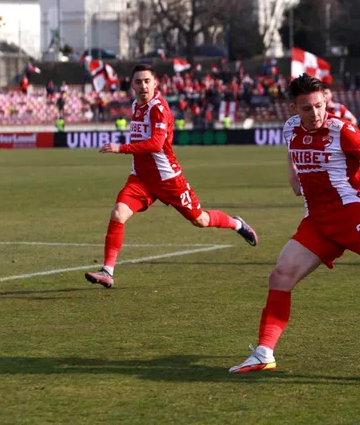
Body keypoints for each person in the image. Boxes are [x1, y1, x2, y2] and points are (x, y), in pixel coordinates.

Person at [229, 74, 360, 374]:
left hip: (352, 216)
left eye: (319, 105)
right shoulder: (290, 128)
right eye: (307, 108)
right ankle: (264, 351)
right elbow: (292, 155)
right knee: (280, 276)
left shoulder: (343, 130)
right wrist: (293, 175)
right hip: (317, 220)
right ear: (293, 108)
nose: (315, 113)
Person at [84, 64, 258, 289]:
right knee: (118, 213)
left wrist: (121, 148)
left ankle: (237, 224)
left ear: (155, 83)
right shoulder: (137, 105)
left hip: (168, 179)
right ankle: (107, 271)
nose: (143, 85)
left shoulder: (159, 108)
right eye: (138, 82)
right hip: (141, 179)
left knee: (201, 220)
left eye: (147, 81)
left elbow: (156, 144)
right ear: (133, 85)